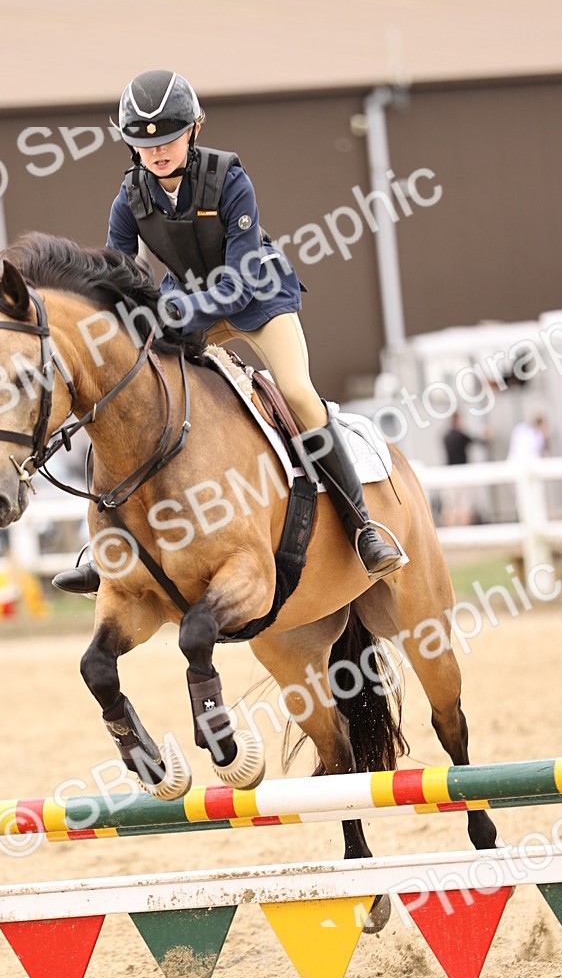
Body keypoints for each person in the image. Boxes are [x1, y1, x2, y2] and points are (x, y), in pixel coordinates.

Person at [54, 70, 407, 595]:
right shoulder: (129, 199)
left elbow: (239, 286)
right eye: (145, 143)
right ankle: (107, 543)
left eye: (169, 137)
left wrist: (174, 310)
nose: (157, 151)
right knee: (133, 398)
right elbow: (118, 276)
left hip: (258, 298)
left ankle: (362, 526)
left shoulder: (229, 180)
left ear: (194, 130)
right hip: (188, 310)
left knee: (297, 393)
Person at [441, 411, 489, 526]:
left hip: (449, 474)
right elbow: (480, 441)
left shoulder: (446, 437)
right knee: (465, 505)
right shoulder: (461, 436)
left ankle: (447, 531)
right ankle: (465, 530)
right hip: (462, 474)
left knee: (449, 506)